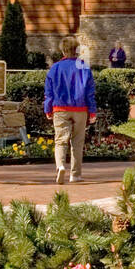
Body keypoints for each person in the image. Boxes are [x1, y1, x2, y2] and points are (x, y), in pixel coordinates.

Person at [44, 36, 96, 185]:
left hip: (60, 108)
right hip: (80, 108)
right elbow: (90, 92)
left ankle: (60, 166)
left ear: (63, 50)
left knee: (60, 141)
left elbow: (49, 91)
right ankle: (75, 174)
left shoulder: (55, 68)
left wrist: (48, 108)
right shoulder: (84, 67)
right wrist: (92, 111)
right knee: (77, 142)